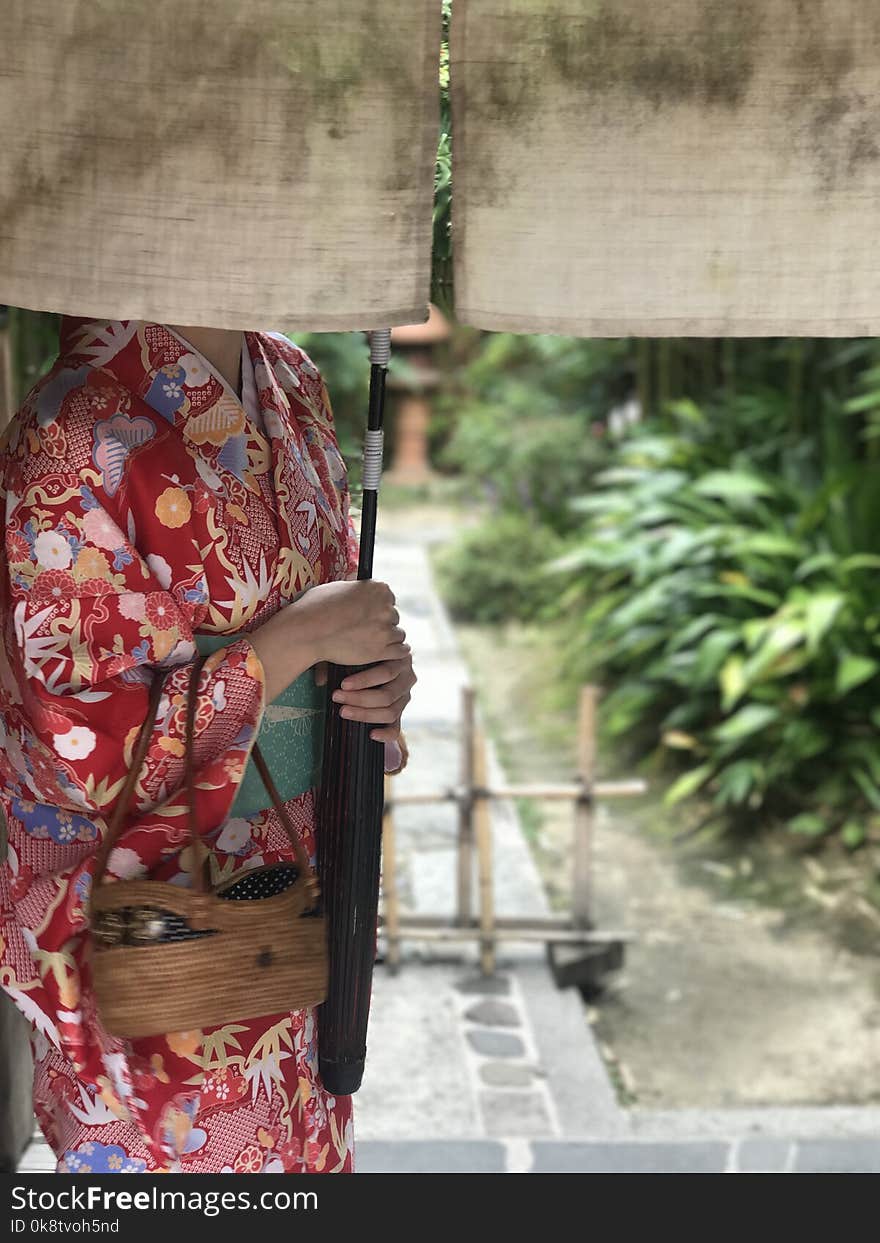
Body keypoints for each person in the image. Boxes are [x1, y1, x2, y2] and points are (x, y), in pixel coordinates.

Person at [0, 316, 415, 1174]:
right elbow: (77, 743)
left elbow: (330, 609)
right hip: (155, 918)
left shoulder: (290, 377)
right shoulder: (70, 425)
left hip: (297, 887)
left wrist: (371, 681)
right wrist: (294, 644)